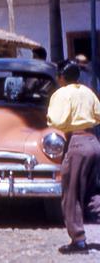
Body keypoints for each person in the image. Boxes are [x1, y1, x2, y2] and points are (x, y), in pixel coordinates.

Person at [46, 61, 100, 254]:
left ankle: (78, 240)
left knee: (72, 193)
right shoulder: (87, 92)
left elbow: (56, 120)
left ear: (61, 76)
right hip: (93, 141)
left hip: (76, 142)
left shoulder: (61, 94)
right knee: (92, 192)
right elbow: (98, 113)